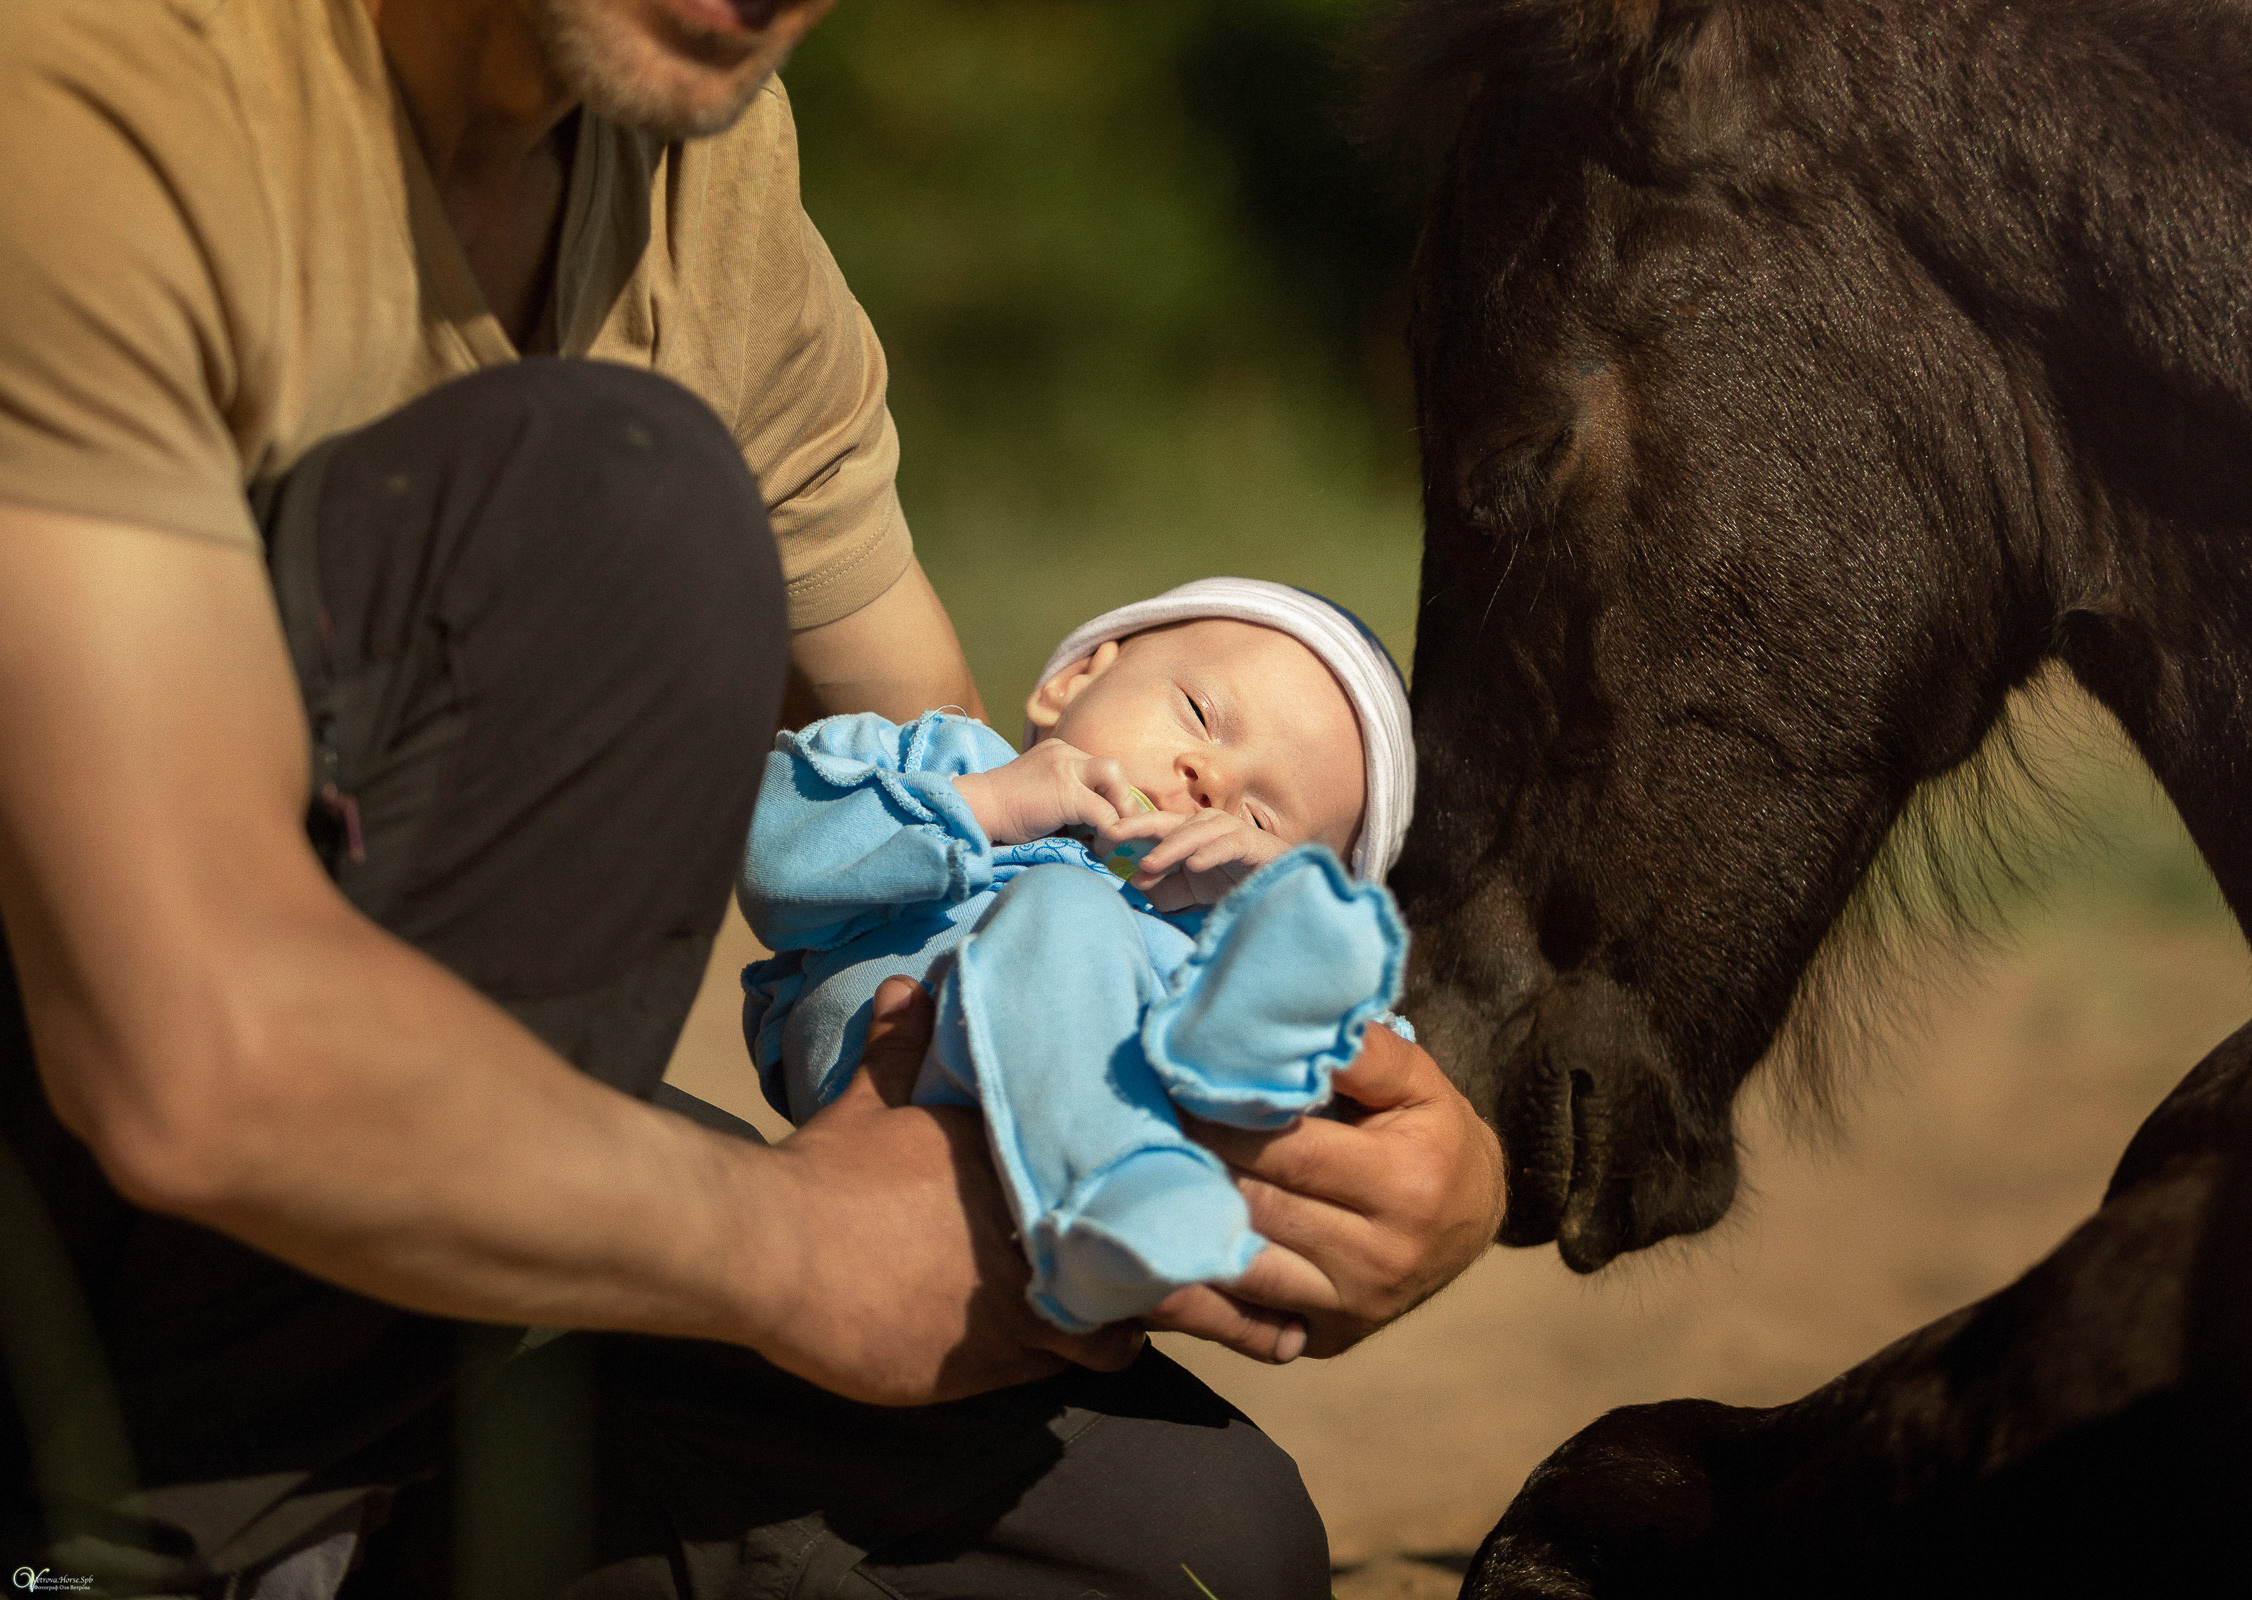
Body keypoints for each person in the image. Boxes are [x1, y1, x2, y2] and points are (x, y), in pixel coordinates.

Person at [0, 0, 1507, 1592]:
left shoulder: (689, 162)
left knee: (1180, 1551)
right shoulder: (103, 77)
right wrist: (790, 1254)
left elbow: (944, 818)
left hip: (343, 1285)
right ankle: (137, 1557)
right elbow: (178, 1054)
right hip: (94, 1161)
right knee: (625, 508)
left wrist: (1377, 1162)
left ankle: (335, 1519)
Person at [743, 580, 1414, 1335]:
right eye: (1199, 714)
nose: (1213, 782)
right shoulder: (937, 760)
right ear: (1075, 681)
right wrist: (984, 804)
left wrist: (1275, 929)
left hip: (1013, 1214)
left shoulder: (1195, 950)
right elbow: (767, 857)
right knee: (1066, 901)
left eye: (1260, 819)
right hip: (886, 1093)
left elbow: (1355, 1104)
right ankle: (1110, 1196)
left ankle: (1114, 1216)